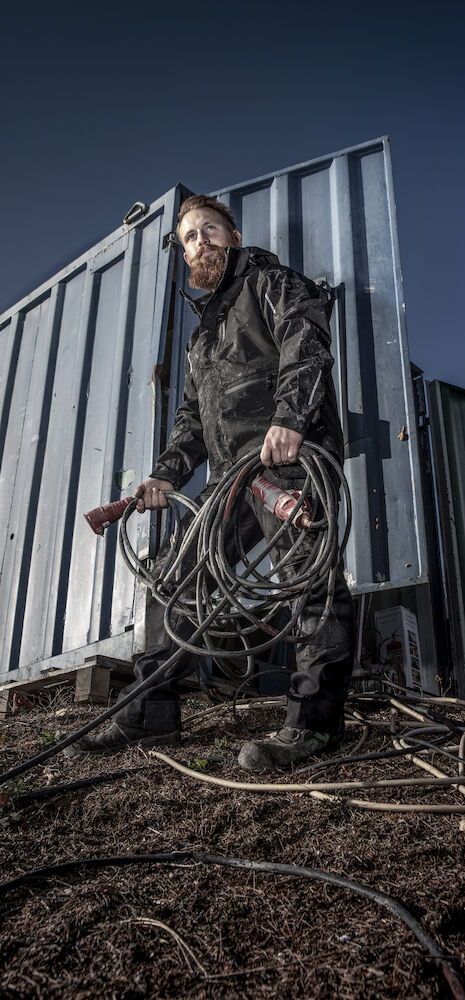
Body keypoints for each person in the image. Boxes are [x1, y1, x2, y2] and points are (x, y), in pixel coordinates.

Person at [65, 195, 355, 772]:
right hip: (230, 479)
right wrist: (161, 477)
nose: (199, 243)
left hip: (286, 459)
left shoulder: (273, 283)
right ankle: (150, 712)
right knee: (176, 574)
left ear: (233, 236)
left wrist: (290, 420)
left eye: (209, 231)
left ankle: (314, 726)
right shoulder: (201, 340)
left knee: (308, 580)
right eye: (189, 238)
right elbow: (192, 426)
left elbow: (307, 346)